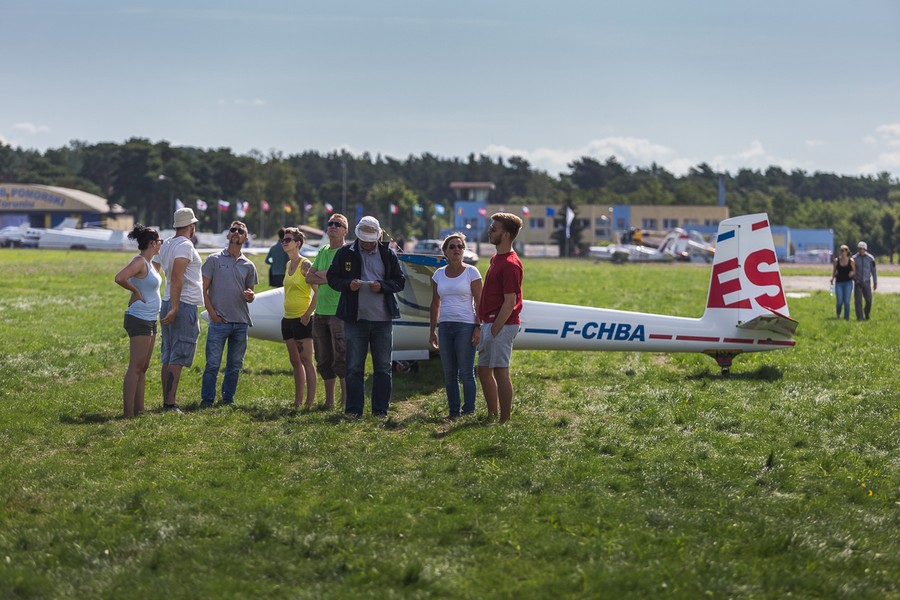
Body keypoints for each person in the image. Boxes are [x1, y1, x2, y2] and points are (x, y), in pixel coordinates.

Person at [326, 216, 406, 418]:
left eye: (370, 240)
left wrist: (384, 286)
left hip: (383, 320)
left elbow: (400, 281)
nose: (367, 243)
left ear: (378, 236)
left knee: (383, 367)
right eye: (364, 239)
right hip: (355, 319)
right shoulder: (346, 252)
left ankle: (380, 410)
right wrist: (348, 285)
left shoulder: (388, 253)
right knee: (354, 367)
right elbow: (332, 278)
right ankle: (354, 410)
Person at [200, 221, 258, 408]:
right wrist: (212, 314)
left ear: (245, 238)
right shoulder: (214, 260)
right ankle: (207, 400)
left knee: (234, 366)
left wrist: (251, 296)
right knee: (212, 364)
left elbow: (250, 293)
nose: (236, 233)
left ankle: (228, 399)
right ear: (228, 235)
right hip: (219, 322)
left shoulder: (249, 265)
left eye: (241, 231)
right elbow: (203, 290)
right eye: (233, 230)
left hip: (240, 323)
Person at [155, 208, 204, 413]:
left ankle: (166, 400)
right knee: (179, 353)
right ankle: (170, 403)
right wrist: (175, 307)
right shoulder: (185, 245)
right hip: (182, 304)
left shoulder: (167, 244)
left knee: (168, 354)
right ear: (191, 226)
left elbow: (155, 267)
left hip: (168, 299)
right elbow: (177, 277)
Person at [430, 233, 483, 419]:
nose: (456, 250)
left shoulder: (472, 272)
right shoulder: (438, 275)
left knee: (466, 372)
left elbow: (479, 302)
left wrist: (478, 327)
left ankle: (468, 410)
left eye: (460, 246)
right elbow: (435, 303)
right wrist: (432, 331)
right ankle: (454, 411)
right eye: (452, 247)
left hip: (466, 326)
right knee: (449, 373)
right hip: (445, 327)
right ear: (445, 251)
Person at [477, 212, 524, 424]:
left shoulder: (511, 264)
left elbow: (509, 301)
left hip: (501, 325)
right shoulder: (497, 257)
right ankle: (492, 415)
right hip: (490, 324)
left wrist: (495, 329)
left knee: (500, 372)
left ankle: (504, 422)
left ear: (505, 235)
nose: (489, 231)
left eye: (493, 228)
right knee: (483, 370)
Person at [114, 225, 163, 418]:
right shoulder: (140, 261)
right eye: (159, 241)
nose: (160, 244)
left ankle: (139, 411)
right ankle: (128, 414)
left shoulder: (151, 264)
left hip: (150, 318)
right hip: (139, 317)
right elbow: (120, 277)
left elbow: (165, 261)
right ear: (152, 243)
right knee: (135, 366)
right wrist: (135, 291)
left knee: (143, 367)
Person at [305, 214, 349, 409]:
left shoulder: (348, 252)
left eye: (338, 224)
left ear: (345, 231)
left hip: (339, 312)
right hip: (320, 312)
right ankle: (329, 401)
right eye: (330, 224)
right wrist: (331, 276)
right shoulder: (322, 251)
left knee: (342, 357)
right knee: (323, 358)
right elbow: (308, 277)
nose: (333, 227)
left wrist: (323, 276)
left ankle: (346, 399)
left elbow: (343, 278)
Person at [282, 227, 318, 408]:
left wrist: (306, 315)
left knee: (306, 362)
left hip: (302, 320)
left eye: (288, 239)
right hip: (287, 320)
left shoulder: (306, 265)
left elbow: (317, 294)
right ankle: (297, 402)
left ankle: (309, 403)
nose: (284, 242)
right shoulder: (288, 265)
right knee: (295, 362)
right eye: (283, 239)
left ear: (298, 244)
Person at [852, 241, 878, 321]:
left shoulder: (870, 258)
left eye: (862, 249)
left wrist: (875, 282)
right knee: (858, 301)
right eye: (859, 249)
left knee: (869, 300)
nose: (860, 250)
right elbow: (852, 270)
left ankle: (866, 313)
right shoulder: (854, 258)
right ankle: (859, 317)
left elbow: (874, 271)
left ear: (865, 249)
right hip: (858, 282)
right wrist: (855, 279)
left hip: (867, 282)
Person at [830, 244, 856, 320]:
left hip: (848, 282)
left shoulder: (851, 261)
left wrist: (852, 273)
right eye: (841, 250)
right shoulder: (836, 261)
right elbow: (834, 271)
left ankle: (846, 318)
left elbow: (854, 270)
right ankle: (838, 314)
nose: (843, 252)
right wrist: (832, 278)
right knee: (839, 301)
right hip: (839, 283)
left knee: (847, 301)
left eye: (844, 250)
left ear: (847, 251)